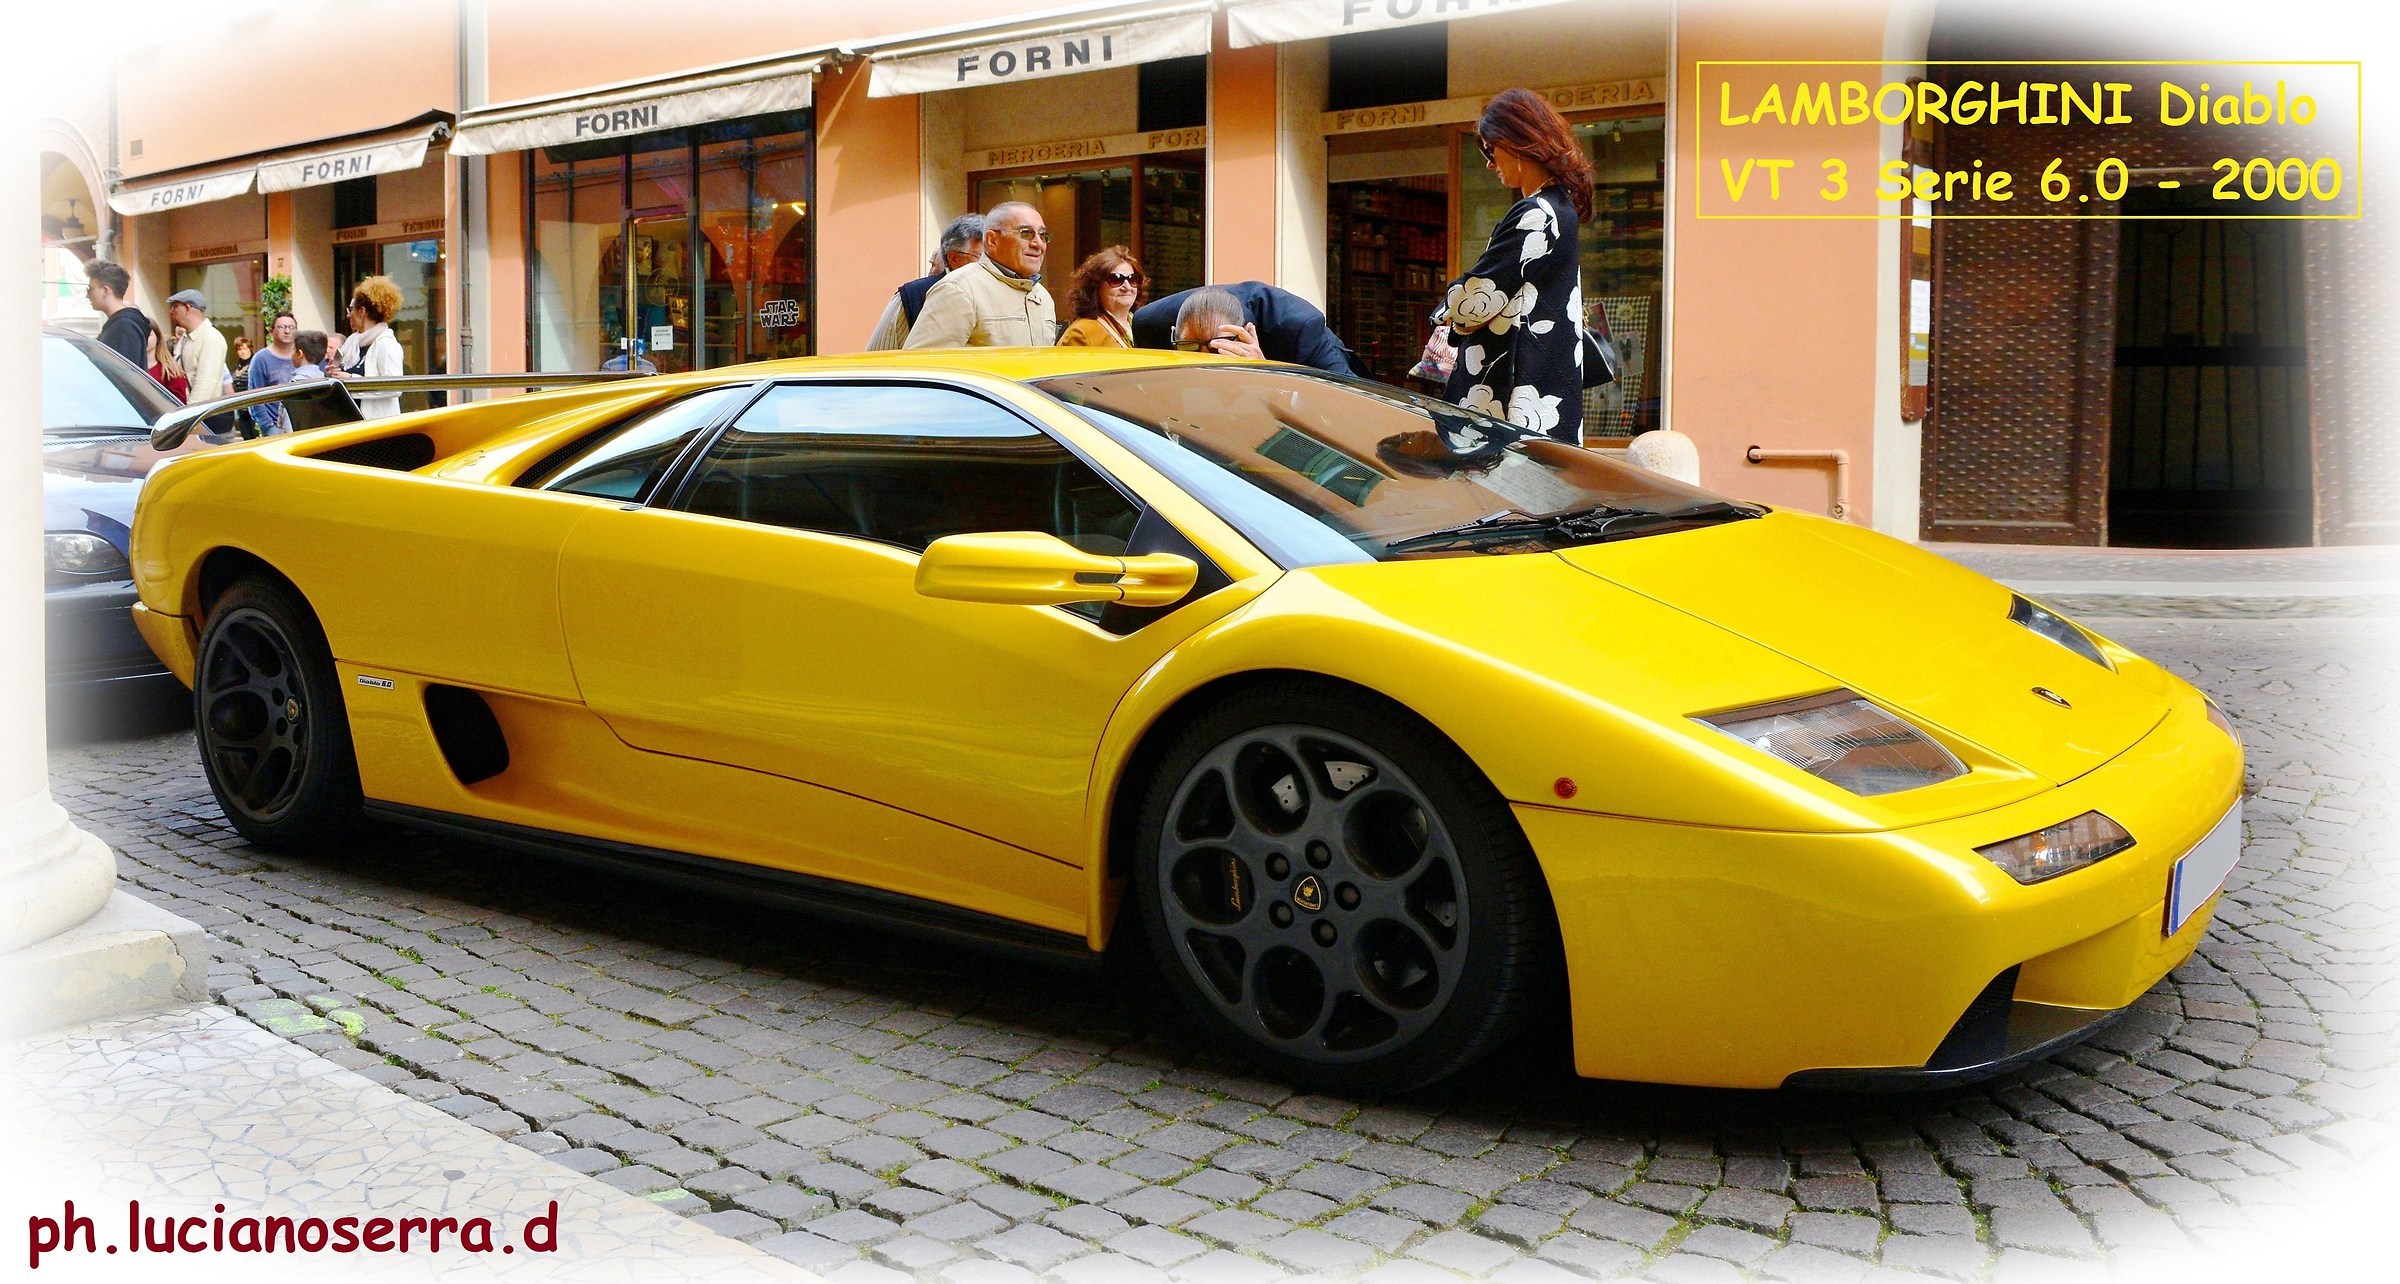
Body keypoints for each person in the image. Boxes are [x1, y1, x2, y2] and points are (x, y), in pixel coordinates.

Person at [1437, 87, 1597, 445]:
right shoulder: (1561, 209)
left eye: (1490, 149)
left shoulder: (1536, 214)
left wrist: (1446, 307)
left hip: (1512, 397)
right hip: (1544, 390)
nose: (1490, 163)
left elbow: (1476, 299)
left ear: (1516, 145)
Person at [904, 202, 1056, 349]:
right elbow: (923, 366)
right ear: (992, 240)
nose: (1038, 244)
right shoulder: (959, 290)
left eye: (1043, 235)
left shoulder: (1042, 297)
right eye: (1026, 233)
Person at [1133, 282, 1363, 376]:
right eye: (1190, 347)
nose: (1204, 362)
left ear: (1245, 333)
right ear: (1174, 335)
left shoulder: (1299, 329)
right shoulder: (1150, 327)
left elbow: (1353, 399)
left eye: (1218, 349)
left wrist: (1267, 372)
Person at [866, 214, 984, 351]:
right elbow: (880, 357)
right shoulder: (913, 295)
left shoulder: (1002, 291)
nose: (987, 264)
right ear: (954, 259)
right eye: (980, 257)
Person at [333, 277, 407, 419]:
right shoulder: (352, 342)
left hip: (375, 427)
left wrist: (352, 380)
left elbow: (394, 387)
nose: (348, 315)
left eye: (351, 310)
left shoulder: (386, 343)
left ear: (362, 311)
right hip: (348, 424)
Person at [166, 288, 232, 435]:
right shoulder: (185, 338)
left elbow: (205, 385)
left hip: (204, 421)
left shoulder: (211, 337)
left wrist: (187, 421)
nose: (172, 311)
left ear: (188, 308)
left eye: (175, 306)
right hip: (192, 418)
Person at [1057, 248, 1144, 348]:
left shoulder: (1143, 326)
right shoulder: (1081, 333)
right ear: (1096, 286)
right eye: (1116, 279)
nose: (1127, 287)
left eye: (1132, 279)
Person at [82, 259, 154, 368]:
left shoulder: (124, 326)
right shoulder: (119, 323)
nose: (87, 295)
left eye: (90, 289)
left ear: (106, 290)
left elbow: (125, 375)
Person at [247, 312, 302, 435]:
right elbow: (254, 397)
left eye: (291, 327)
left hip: (300, 426)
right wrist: (268, 427)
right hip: (274, 428)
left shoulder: (302, 355)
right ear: (271, 331)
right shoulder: (261, 358)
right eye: (282, 327)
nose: (287, 331)